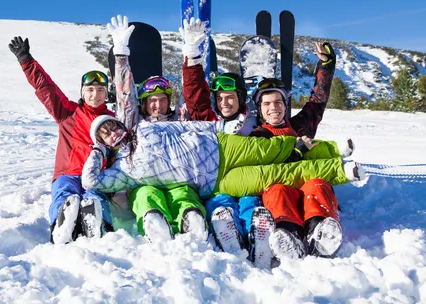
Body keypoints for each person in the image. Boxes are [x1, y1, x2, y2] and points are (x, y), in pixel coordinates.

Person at [81, 115, 363, 208]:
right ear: (104, 143)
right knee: (277, 174)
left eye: (112, 126)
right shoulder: (124, 171)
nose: (113, 133)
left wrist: (219, 128)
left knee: (275, 149)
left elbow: (186, 125)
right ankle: (340, 170)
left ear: (120, 124)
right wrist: (97, 153)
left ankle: (333, 148)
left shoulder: (145, 127)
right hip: (215, 182)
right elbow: (90, 181)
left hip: (222, 147)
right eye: (105, 135)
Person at [180, 18, 273, 266]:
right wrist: (192, 55)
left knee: (250, 202)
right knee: (220, 205)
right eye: (220, 98)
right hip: (218, 184)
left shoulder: (254, 122)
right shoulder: (208, 119)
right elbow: (194, 93)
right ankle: (228, 230)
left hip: (247, 182)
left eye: (230, 97)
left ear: (240, 98)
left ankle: (257, 233)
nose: (224, 103)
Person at [107, 15, 208, 243]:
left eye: (162, 99)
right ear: (143, 103)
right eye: (152, 100)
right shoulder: (134, 122)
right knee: (146, 195)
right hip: (145, 180)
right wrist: (121, 53)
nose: (157, 104)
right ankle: (154, 221)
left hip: (178, 179)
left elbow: (190, 93)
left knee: (183, 195)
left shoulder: (178, 120)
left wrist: (191, 52)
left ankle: (190, 219)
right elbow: (124, 95)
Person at [8, 36, 114, 244]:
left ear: (106, 93)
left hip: (98, 177)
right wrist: (26, 60)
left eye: (100, 90)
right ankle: (61, 224)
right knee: (65, 192)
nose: (95, 95)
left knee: (97, 197)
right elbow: (46, 89)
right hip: (69, 173)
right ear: (83, 93)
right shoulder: (68, 113)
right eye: (90, 90)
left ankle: (97, 223)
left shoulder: (112, 120)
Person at [248, 42, 348, 260]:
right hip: (282, 189)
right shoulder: (257, 136)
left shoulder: (300, 126)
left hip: (307, 188)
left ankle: (320, 234)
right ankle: (289, 236)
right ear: (260, 108)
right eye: (267, 104)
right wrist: (296, 152)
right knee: (276, 190)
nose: (273, 107)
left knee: (317, 184)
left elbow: (318, 100)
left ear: (285, 104)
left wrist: (326, 64)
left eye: (278, 102)